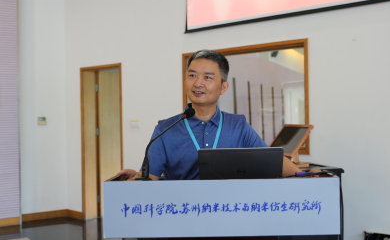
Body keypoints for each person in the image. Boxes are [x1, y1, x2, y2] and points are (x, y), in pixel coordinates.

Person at [118, 49, 302, 180]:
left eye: (207, 77)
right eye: (192, 76)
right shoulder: (165, 129)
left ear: (223, 87)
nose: (198, 83)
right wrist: (137, 178)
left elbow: (272, 161)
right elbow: (150, 178)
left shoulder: (237, 126)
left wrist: (304, 176)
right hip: (183, 213)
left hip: (228, 211)